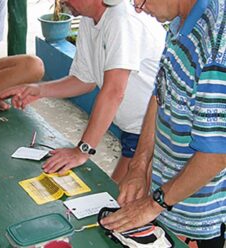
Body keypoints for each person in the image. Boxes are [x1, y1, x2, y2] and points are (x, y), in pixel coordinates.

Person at [101, 0, 226, 247]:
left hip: (195, 224)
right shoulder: (179, 20)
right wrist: (139, 166)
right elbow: (160, 95)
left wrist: (153, 204)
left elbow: (217, 153)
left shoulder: (216, 44)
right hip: (163, 205)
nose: (137, 7)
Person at [0, 0, 165, 183]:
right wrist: (39, 90)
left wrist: (82, 151)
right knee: (115, 199)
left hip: (159, 133)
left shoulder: (122, 18)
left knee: (120, 200)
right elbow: (84, 80)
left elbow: (114, 91)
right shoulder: (89, 20)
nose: (61, 1)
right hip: (135, 132)